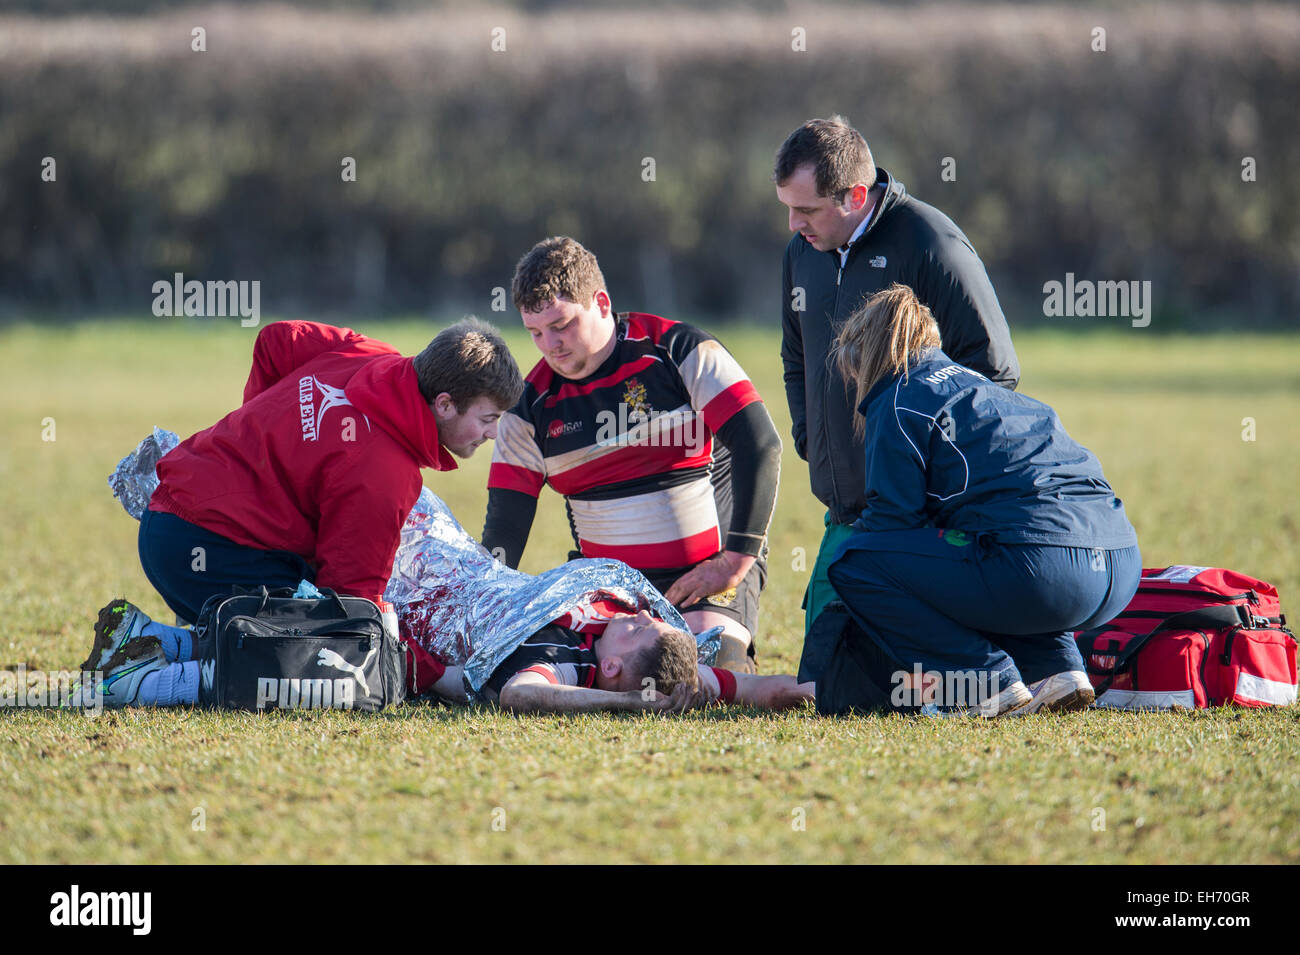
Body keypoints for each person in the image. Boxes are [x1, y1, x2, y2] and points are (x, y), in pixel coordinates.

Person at [80, 317, 523, 705]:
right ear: (444, 404)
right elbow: (352, 608)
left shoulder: (372, 354)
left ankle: (147, 640)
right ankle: (145, 684)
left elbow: (276, 341)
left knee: (299, 616)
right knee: (326, 660)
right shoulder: (384, 474)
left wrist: (259, 441)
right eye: (487, 418)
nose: (492, 433)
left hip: (171, 516)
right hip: (203, 548)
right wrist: (437, 675)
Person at [821, 284, 1140, 715]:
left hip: (1042, 573)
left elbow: (892, 523)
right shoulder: (983, 386)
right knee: (981, 550)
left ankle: (984, 681)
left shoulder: (897, 396)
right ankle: (1058, 670)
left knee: (855, 561)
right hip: (1120, 568)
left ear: (867, 360)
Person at [481, 237, 783, 673]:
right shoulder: (529, 408)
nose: (550, 344)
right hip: (609, 596)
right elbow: (505, 526)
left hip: (707, 576)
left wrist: (736, 560)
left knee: (712, 676)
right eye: (535, 332)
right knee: (556, 673)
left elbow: (760, 444)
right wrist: (488, 604)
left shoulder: (679, 351)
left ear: (601, 302)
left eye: (562, 324)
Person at [774, 116, 1021, 636]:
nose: (794, 224)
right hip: (843, 513)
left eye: (806, 210)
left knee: (907, 680)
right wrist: (808, 434)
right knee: (824, 676)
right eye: (788, 209)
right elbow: (796, 356)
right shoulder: (802, 251)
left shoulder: (932, 242)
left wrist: (922, 465)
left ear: (855, 196)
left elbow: (993, 371)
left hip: (923, 520)